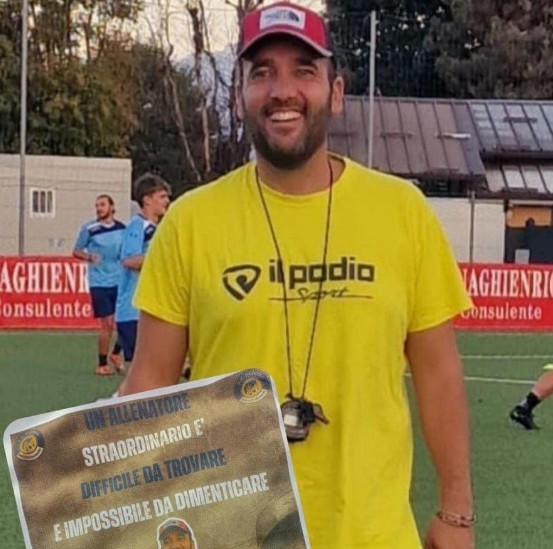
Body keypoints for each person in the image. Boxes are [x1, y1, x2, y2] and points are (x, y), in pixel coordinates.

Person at [118, 2, 475, 547]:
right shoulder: (190, 222)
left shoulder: (402, 211)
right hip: (234, 535)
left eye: (303, 71)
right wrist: (78, 478)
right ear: (240, 97)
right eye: (262, 73)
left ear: (336, 92)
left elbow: (438, 373)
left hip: (372, 535)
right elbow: (150, 383)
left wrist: (456, 511)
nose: (282, 90)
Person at [115, 173, 170, 371]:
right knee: (144, 373)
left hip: (152, 309)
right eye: (162, 196)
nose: (167, 201)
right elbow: (129, 260)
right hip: (133, 311)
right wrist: (163, 258)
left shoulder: (158, 227)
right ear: (147, 200)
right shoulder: (137, 226)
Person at [73, 194, 125, 375]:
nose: (99, 208)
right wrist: (88, 256)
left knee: (128, 321)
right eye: (97, 205)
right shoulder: (90, 229)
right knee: (108, 323)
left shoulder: (122, 229)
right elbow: (76, 251)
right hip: (99, 282)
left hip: (120, 280)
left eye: (102, 205)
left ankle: (116, 353)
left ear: (112, 207)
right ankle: (102, 363)